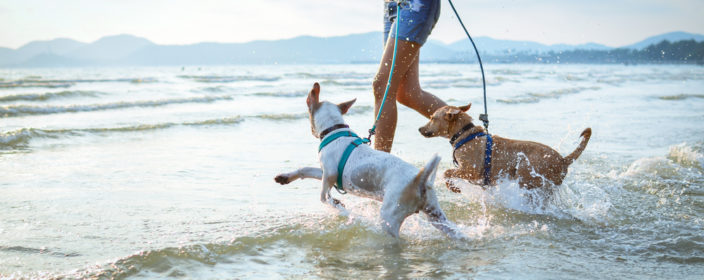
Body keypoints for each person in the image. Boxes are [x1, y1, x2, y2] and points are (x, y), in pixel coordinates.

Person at [372, 0, 447, 152]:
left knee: (383, 85)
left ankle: (379, 166)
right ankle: (477, 139)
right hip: (391, 7)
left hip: (415, 4)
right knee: (408, 93)